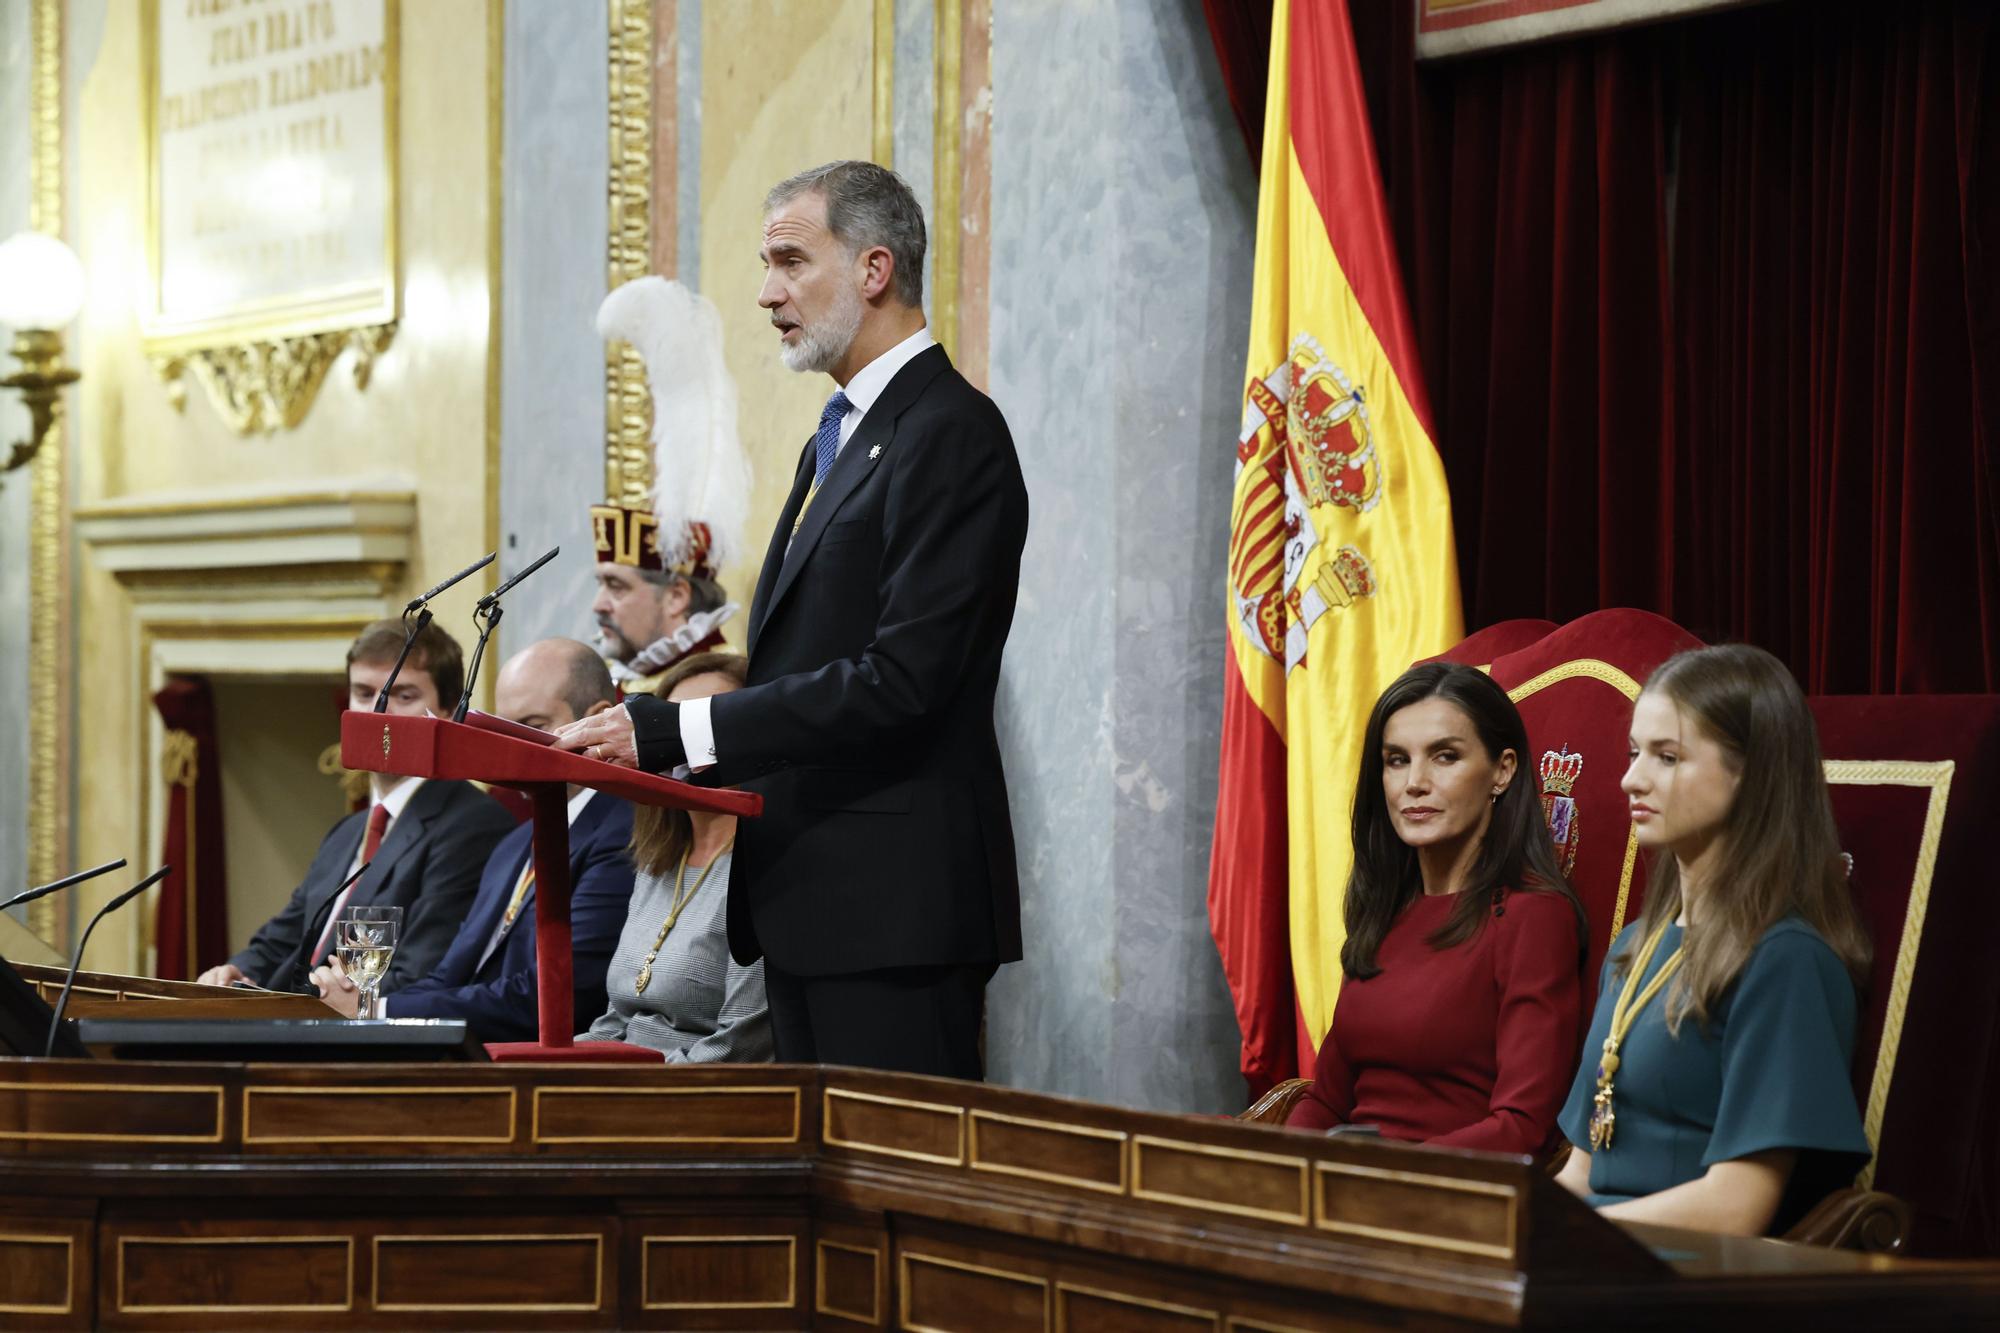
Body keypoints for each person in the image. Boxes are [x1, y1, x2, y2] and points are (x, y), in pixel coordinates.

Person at [554, 160, 1029, 1080]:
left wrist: (678, 726)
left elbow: (903, 681)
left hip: (893, 912)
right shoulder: (843, 432)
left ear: (874, 269)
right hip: (812, 904)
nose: (768, 293)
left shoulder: (951, 432)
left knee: (887, 1200)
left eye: (789, 262)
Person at [1554, 644, 1873, 1235]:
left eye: (1667, 757)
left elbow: (1736, 1207)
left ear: (1751, 774)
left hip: (1686, 1275)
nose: (1630, 778)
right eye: (1633, 753)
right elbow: (1580, 1173)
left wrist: (1561, 1243)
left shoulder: (1786, 961)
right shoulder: (1633, 948)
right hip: (1590, 1257)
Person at [1286, 662, 1587, 1155]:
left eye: (1444, 757)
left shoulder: (1533, 914)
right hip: (1347, 1188)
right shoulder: (1387, 907)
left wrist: (1389, 1179)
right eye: (1396, 760)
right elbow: (1326, 1102)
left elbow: (1522, 1126)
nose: (1414, 783)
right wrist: (1283, 1172)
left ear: (1502, 771)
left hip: (1449, 1199)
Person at [309, 639, 637, 1042]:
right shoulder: (513, 846)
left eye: (532, 727)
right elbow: (448, 976)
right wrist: (364, 1007)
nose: (512, 747)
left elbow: (552, 997)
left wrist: (378, 1010)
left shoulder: (621, 831)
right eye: (503, 728)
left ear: (598, 721)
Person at [195, 619, 515, 994]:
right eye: (364, 694)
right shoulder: (349, 831)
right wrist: (237, 971)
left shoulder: (472, 825)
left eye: (404, 696)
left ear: (446, 711)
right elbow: (286, 936)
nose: (379, 714)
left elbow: (418, 974)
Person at [579, 652, 770, 1061]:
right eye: (673, 725)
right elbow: (615, 1025)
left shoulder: (764, 868)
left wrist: (605, 1090)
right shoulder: (660, 861)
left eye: (700, 726)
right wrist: (538, 1064)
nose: (684, 744)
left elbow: (738, 1049)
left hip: (690, 1100)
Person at [591, 501, 736, 697]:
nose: (598, 605)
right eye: (600, 584)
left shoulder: (719, 685)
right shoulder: (614, 681)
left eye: (616, 586)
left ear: (677, 597)